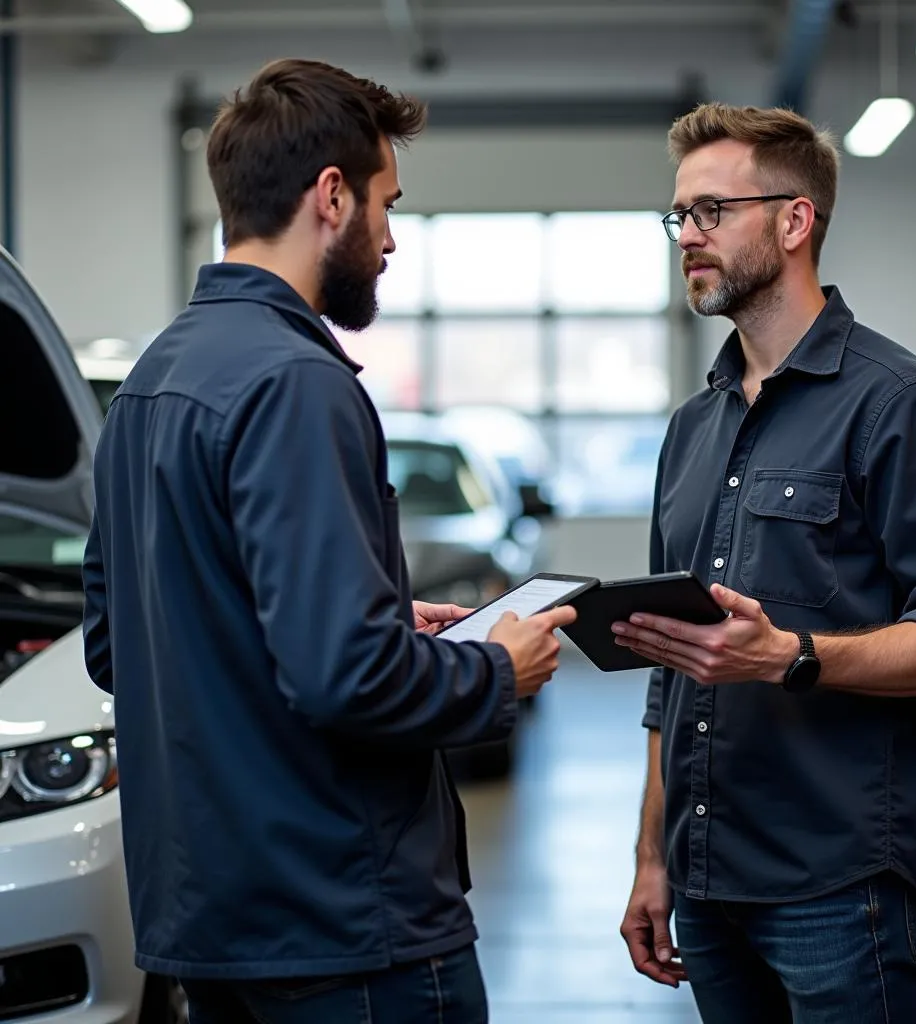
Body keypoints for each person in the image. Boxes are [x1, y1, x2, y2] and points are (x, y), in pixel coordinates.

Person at [81, 58, 575, 1024]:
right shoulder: (296, 383)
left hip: (212, 929)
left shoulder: (150, 382)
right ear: (331, 195)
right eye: (388, 205)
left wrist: (386, 624)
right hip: (346, 931)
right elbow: (344, 677)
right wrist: (491, 670)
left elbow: (121, 644)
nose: (391, 240)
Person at [615, 102, 916, 1023]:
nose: (689, 237)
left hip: (837, 890)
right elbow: (664, 676)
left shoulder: (901, 405)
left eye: (713, 211)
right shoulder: (692, 428)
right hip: (707, 882)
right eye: (679, 215)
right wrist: (652, 859)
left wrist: (793, 654)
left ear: (796, 221)